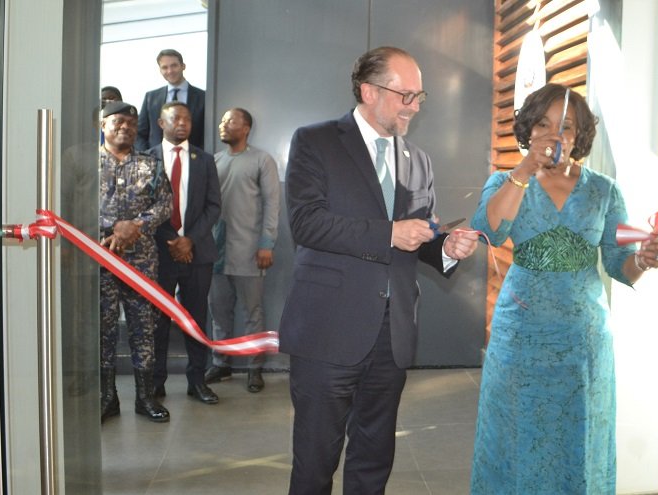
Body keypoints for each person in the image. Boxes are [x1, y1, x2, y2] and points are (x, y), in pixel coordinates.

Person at [279, 46, 479, 494]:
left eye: (419, 96)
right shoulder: (316, 142)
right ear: (368, 91)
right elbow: (307, 224)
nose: (414, 105)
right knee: (315, 460)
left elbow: (420, 236)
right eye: (404, 94)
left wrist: (447, 248)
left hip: (393, 336)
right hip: (327, 329)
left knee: (374, 458)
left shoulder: (418, 160)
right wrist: (389, 232)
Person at [469, 83, 658, 494]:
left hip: (584, 340)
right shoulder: (506, 181)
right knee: (516, 433)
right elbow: (488, 229)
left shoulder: (603, 190)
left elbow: (621, 266)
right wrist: (524, 170)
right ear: (528, 128)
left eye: (567, 127)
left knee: (581, 436)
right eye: (543, 124)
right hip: (521, 334)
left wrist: (644, 259)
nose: (554, 134)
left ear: (579, 137)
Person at [98, 101, 173, 423]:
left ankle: (145, 398)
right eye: (117, 121)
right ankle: (107, 397)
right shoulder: (85, 164)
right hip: (98, 258)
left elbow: (165, 204)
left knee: (144, 328)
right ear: (103, 125)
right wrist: (114, 226)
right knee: (103, 329)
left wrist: (135, 226)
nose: (125, 127)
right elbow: (70, 203)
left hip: (141, 262)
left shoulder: (151, 163)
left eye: (131, 122)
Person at [149, 101, 222, 405]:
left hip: (198, 253)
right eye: (176, 118)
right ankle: (155, 383)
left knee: (195, 319)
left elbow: (213, 206)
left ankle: (197, 381)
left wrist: (189, 239)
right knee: (157, 320)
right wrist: (172, 241)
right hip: (160, 253)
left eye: (188, 119)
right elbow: (143, 207)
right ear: (160, 123)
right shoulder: (147, 159)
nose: (183, 123)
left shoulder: (204, 160)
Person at [204, 108, 280, 393]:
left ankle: (253, 367)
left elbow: (273, 205)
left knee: (252, 312)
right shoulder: (215, 161)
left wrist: (266, 244)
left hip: (250, 251)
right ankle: (221, 363)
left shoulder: (262, 160)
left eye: (230, 121)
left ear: (246, 127)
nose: (223, 125)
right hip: (216, 252)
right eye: (222, 120)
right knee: (219, 311)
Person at [136, 49, 205, 151]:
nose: (170, 71)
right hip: (156, 161)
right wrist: (146, 155)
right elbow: (140, 133)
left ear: (183, 66)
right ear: (160, 70)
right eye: (165, 67)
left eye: (174, 65)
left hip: (192, 158)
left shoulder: (203, 97)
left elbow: (206, 132)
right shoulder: (150, 97)